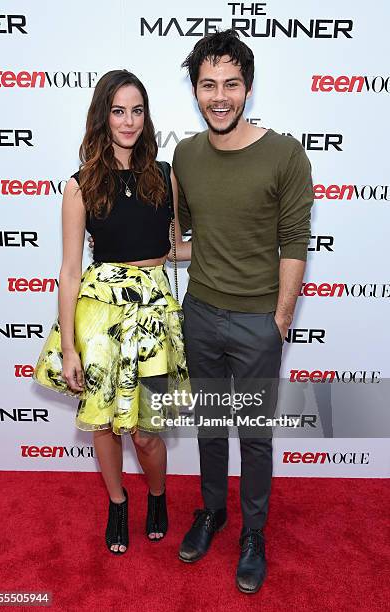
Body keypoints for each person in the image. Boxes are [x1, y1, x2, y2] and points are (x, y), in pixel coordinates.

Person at [172, 30, 314, 594]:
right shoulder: (184, 154)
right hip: (200, 313)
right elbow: (184, 235)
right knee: (209, 425)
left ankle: (253, 532)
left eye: (231, 83)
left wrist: (279, 319)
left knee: (253, 435)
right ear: (196, 92)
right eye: (208, 85)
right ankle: (212, 512)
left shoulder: (285, 153)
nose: (220, 95)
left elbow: (295, 240)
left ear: (248, 89)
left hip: (258, 320)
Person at [32, 69, 191, 555]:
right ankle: (118, 500)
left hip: (153, 314)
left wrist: (185, 253)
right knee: (102, 423)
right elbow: (69, 270)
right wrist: (68, 347)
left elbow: (178, 248)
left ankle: (158, 495)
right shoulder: (80, 185)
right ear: (103, 117)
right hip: (99, 316)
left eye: (137, 110)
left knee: (146, 433)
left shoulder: (167, 175)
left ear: (147, 117)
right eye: (118, 111)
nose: (128, 121)